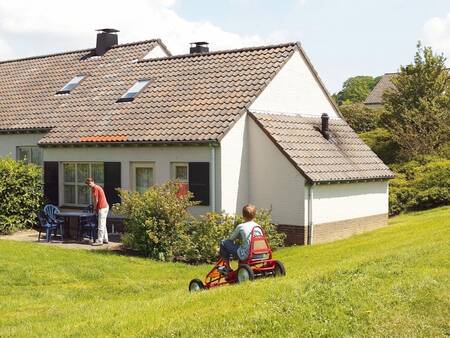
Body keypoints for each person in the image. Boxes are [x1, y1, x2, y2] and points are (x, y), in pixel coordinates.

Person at [218, 204, 261, 274]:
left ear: (243, 216)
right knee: (243, 246)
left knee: (224, 243)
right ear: (254, 215)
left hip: (247, 255)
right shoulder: (258, 226)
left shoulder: (241, 226)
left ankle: (227, 268)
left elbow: (231, 239)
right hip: (259, 254)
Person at [85, 177, 109, 246]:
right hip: (105, 206)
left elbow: (96, 200)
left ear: (93, 182)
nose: (89, 185)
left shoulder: (95, 188)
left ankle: (100, 240)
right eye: (87, 184)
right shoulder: (96, 187)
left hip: (102, 207)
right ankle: (105, 239)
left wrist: (95, 209)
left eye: (89, 183)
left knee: (100, 224)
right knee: (103, 224)